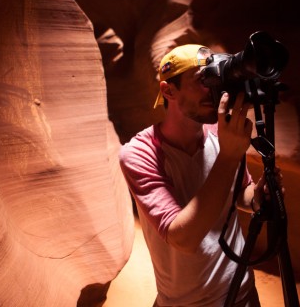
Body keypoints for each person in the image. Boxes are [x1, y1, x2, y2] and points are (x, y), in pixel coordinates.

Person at [119, 44, 282, 307]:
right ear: (168, 90)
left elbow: (241, 192)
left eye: (216, 78)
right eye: (203, 80)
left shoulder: (221, 133)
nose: (213, 89)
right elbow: (182, 238)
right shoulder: (140, 153)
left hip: (242, 292)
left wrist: (257, 198)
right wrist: (228, 156)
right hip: (186, 302)